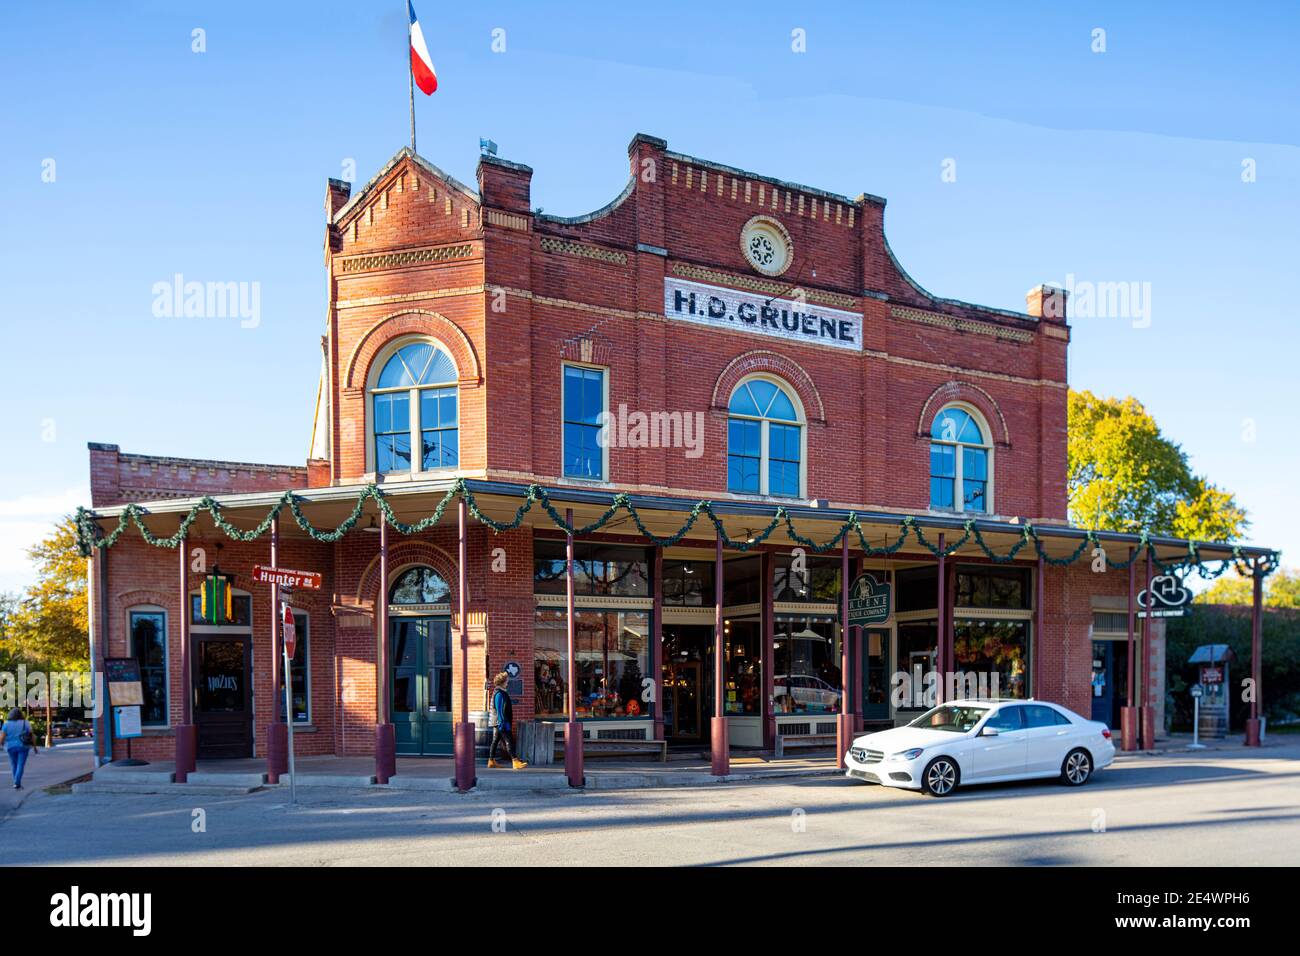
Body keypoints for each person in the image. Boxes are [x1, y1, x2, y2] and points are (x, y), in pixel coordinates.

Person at [487, 673, 527, 770]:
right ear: (502, 682)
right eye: (506, 681)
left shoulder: (500, 692)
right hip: (501, 722)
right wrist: (502, 723)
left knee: (495, 741)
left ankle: (491, 761)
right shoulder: (499, 694)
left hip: (498, 722)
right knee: (509, 741)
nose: (508, 682)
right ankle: (515, 761)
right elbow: (500, 709)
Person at [0, 707, 37, 790]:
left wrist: (2, 744)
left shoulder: (6, 724)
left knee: (14, 765)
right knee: (20, 765)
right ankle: (17, 783)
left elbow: (1, 738)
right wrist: (35, 747)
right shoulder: (25, 723)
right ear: (20, 714)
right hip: (23, 747)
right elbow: (32, 736)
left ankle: (16, 783)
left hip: (10, 747)